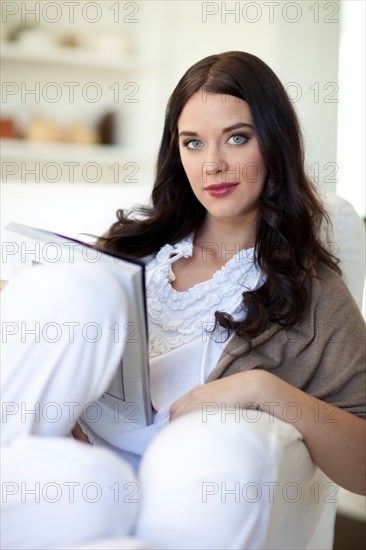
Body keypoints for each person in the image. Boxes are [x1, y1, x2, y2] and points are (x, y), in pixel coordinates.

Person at [1, 51, 365, 550]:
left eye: (237, 137)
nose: (212, 164)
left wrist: (264, 390)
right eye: (193, 143)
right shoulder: (133, 246)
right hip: (59, 476)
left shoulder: (312, 292)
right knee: (73, 290)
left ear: (275, 144)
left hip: (172, 503)